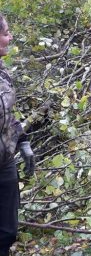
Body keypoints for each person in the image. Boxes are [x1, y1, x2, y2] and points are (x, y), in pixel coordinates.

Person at [0, 14, 35, 256]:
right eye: (5, 33)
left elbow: (7, 115)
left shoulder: (3, 72)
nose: (10, 37)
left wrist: (22, 140)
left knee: (7, 232)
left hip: (4, 162)